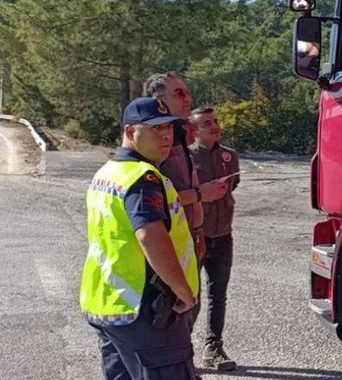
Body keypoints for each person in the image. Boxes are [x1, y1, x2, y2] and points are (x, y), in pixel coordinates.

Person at [79, 97, 199, 380]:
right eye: (155, 129)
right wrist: (182, 289)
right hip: (145, 310)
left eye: (168, 128)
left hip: (108, 305)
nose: (166, 135)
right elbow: (150, 236)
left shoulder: (108, 173)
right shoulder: (143, 178)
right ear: (131, 132)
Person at [143, 72, 227, 338]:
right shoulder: (155, 144)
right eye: (179, 93)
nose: (188, 97)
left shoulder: (178, 135)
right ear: (160, 100)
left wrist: (198, 232)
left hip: (191, 236)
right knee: (174, 313)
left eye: (187, 91)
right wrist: (201, 194)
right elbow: (154, 198)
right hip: (169, 240)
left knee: (191, 308)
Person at [189, 106, 240, 371]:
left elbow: (235, 186)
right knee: (188, 296)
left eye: (216, 121)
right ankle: (181, 351)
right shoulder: (185, 157)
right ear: (194, 130)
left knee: (218, 294)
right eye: (207, 123)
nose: (214, 126)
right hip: (194, 237)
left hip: (223, 236)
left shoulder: (230, 156)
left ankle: (213, 347)